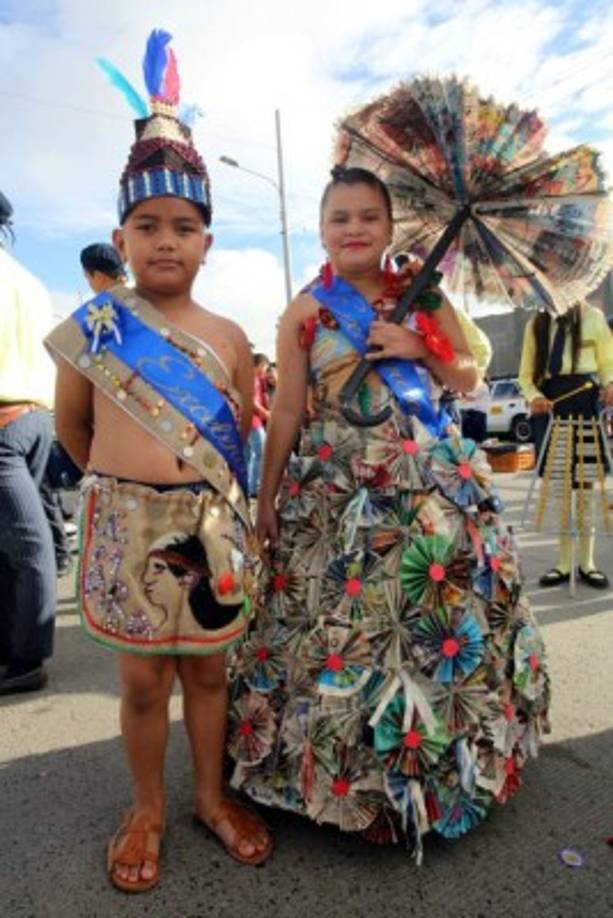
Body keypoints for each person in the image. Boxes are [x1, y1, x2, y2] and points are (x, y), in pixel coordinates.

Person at [229, 166, 550, 863]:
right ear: (322, 229)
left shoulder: (422, 293)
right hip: (334, 490)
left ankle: (438, 778)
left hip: (425, 485)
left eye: (367, 217)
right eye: (340, 217)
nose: (354, 229)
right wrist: (265, 497)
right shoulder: (304, 311)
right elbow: (285, 409)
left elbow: (467, 374)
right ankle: (342, 777)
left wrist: (419, 348)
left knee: (426, 619)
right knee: (344, 632)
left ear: (388, 226)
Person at [45, 31, 271, 893]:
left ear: (208, 240)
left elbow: (239, 440)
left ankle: (210, 798)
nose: (165, 240)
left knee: (209, 671)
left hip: (211, 526)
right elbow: (74, 431)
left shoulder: (229, 336)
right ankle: (145, 807)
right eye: (147, 226)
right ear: (120, 234)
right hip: (125, 523)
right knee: (143, 684)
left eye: (184, 226)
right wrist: (127, 491)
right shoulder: (95, 332)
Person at [0, 190, 57, 695]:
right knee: (15, 541)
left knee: (24, 542)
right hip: (38, 417)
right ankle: (13, 648)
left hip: (4, 421)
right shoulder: (30, 282)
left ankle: (26, 657)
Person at [518, 303, 613, 588]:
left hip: (585, 401)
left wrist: (610, 384)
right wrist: (534, 396)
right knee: (558, 487)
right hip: (549, 407)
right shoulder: (535, 323)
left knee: (584, 485)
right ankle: (562, 563)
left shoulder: (594, 317)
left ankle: (587, 563)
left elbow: (607, 363)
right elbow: (525, 374)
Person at [244, 353, 270, 496]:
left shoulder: (257, 379)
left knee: (248, 455)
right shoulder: (251, 379)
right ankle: (254, 488)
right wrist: (265, 413)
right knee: (260, 453)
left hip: (246, 421)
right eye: (265, 367)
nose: (265, 371)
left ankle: (247, 487)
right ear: (260, 364)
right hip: (253, 422)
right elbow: (251, 401)